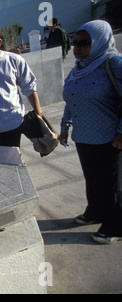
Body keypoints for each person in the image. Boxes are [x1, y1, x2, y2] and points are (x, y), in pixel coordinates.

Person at [58, 20, 122, 244]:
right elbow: (70, 99)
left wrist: (121, 133)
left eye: (84, 43)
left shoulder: (113, 63)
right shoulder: (79, 68)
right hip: (84, 137)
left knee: (112, 185)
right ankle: (95, 211)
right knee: (93, 180)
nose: (77, 48)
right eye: (75, 42)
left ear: (99, 42)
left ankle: (116, 225)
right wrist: (65, 127)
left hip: (110, 137)